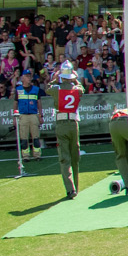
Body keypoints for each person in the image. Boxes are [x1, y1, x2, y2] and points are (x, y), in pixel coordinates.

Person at [51, 62, 83, 198]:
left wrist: (55, 78)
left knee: (64, 158)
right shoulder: (77, 89)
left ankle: (70, 189)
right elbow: (82, 89)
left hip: (61, 123)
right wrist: (75, 79)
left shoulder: (56, 89)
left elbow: (48, 88)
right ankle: (76, 186)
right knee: (75, 156)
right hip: (73, 123)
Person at [14, 68, 43, 164]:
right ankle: (25, 156)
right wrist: (14, 117)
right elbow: (15, 103)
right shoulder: (18, 90)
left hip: (33, 115)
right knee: (24, 137)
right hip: (23, 115)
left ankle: (37, 155)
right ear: (22, 78)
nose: (29, 78)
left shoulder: (36, 89)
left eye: (30, 76)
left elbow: (39, 103)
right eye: (27, 76)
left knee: (36, 137)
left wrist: (40, 115)